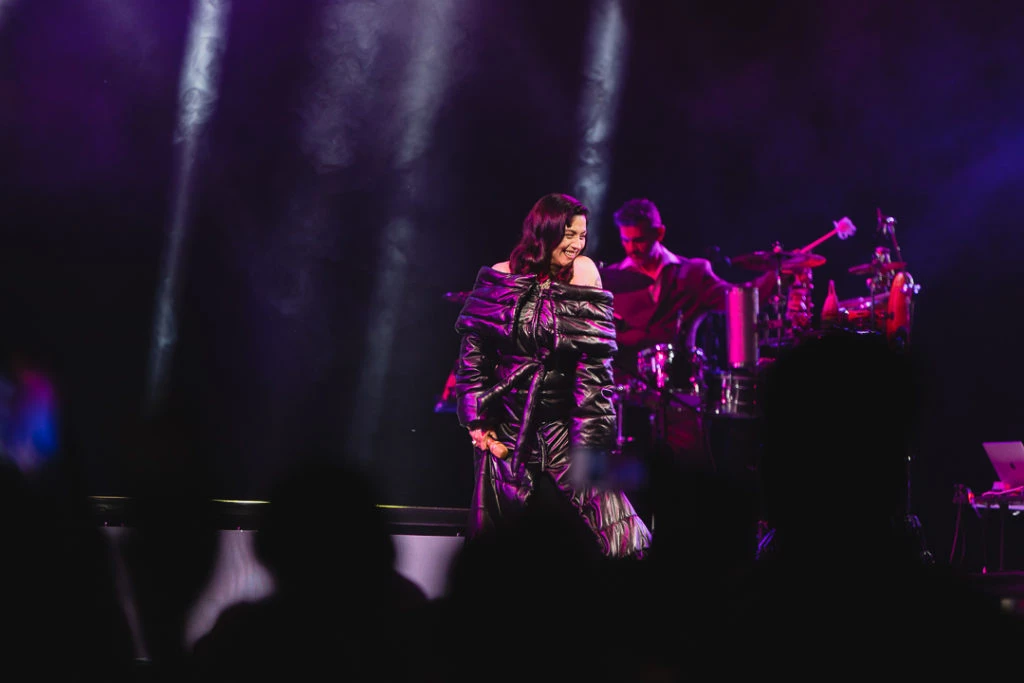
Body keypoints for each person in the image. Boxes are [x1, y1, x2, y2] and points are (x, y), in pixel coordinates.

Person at [453, 192, 651, 558]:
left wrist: (591, 439)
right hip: (509, 427)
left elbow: (595, 367)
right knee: (495, 549)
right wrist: (478, 420)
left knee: (620, 534)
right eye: (569, 234)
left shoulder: (584, 272)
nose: (577, 244)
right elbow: (473, 354)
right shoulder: (501, 275)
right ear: (544, 232)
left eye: (582, 235)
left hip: (564, 427)